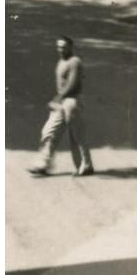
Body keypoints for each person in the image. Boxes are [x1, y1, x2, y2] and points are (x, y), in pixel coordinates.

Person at [28, 36, 93, 177]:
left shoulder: (75, 62)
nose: (60, 49)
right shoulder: (61, 61)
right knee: (49, 132)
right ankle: (44, 164)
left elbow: (72, 83)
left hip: (71, 102)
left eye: (63, 47)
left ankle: (86, 165)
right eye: (58, 47)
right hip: (62, 102)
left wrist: (57, 99)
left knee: (77, 136)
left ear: (71, 47)